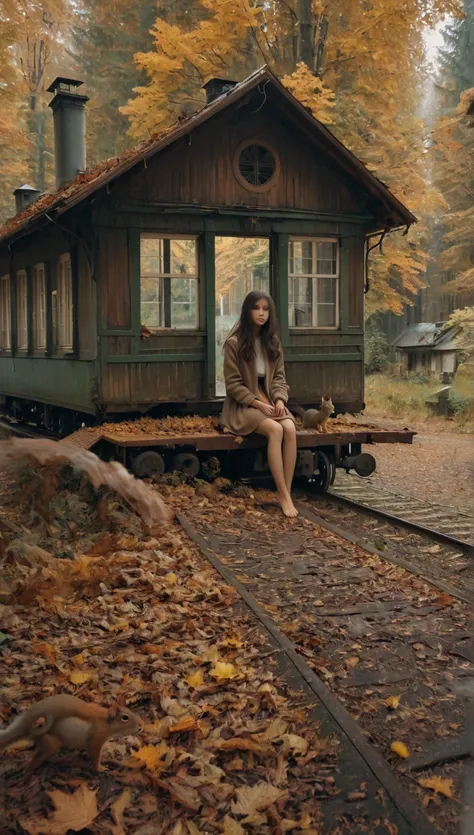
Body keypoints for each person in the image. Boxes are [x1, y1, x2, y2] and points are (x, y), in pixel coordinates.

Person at [221, 290, 298, 518]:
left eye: (265, 309)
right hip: (243, 405)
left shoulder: (272, 342)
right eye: (256, 308)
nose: (261, 313)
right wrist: (256, 403)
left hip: (269, 398)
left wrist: (279, 399)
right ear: (248, 311)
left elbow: (279, 378)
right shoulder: (233, 343)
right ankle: (282, 495)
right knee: (275, 429)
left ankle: (287, 492)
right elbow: (233, 385)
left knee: (290, 429)